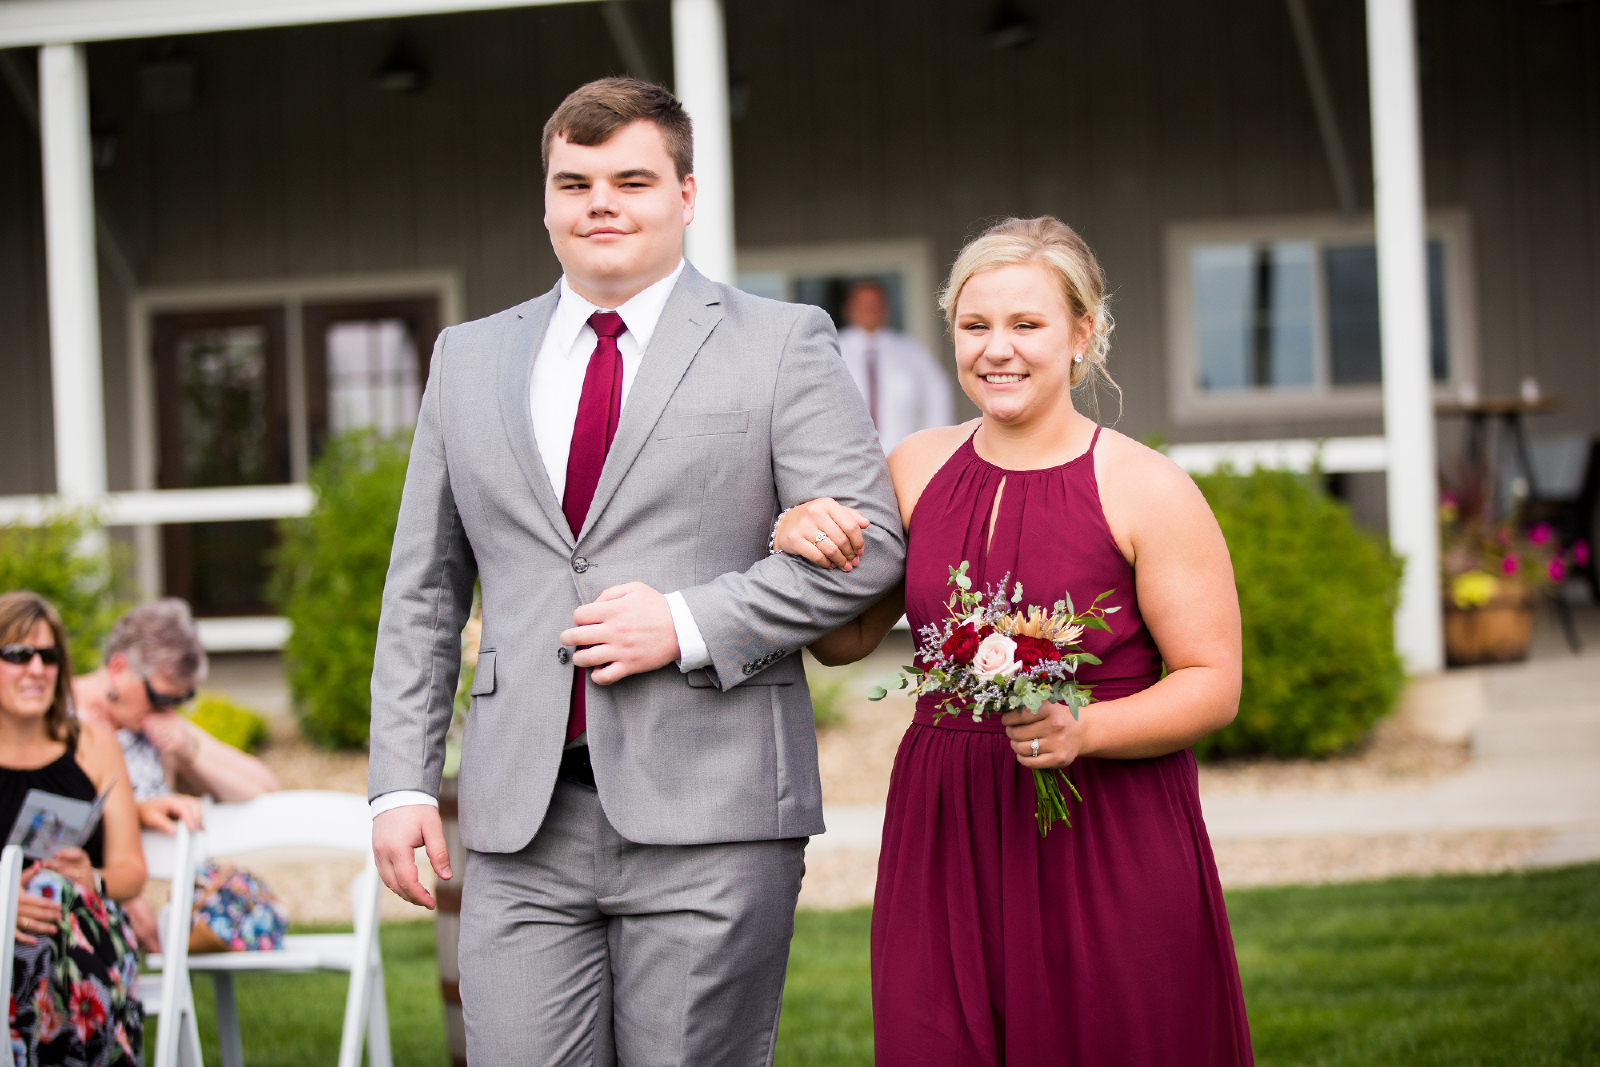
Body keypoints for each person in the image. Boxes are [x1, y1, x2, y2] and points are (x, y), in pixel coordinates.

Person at [367, 77, 904, 1065]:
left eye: (631, 179)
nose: (600, 202)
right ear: (546, 202)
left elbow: (868, 544)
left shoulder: (781, 344)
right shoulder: (468, 357)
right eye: (574, 182)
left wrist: (690, 621)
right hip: (517, 825)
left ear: (685, 196)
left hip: (714, 807)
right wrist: (398, 782)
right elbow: (423, 590)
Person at [775, 217, 1253, 1065]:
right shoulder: (914, 467)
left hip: (1107, 829)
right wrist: (799, 535)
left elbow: (1213, 681)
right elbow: (846, 640)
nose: (998, 349)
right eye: (974, 325)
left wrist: (1087, 730)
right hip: (945, 823)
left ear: (1083, 332)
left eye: (1026, 324)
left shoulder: (1147, 487)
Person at [73, 598, 280, 950]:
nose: (167, 709)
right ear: (119, 668)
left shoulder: (154, 724)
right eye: (158, 696)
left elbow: (263, 787)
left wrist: (189, 754)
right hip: (90, 883)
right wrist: (120, 894)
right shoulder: (61, 714)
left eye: (180, 700)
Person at [0, 591, 145, 1066]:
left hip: (83, 923)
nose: (36, 670)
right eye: (18, 655)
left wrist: (92, 877)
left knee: (51, 892)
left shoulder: (94, 746)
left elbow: (130, 871)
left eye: (48, 655)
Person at [838, 279, 954, 453]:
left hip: (905, 457)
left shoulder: (912, 351)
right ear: (848, 308)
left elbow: (937, 398)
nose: (869, 309)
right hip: (845, 458)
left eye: (874, 303)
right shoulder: (832, 351)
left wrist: (933, 448)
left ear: (886, 307)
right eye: (862, 303)